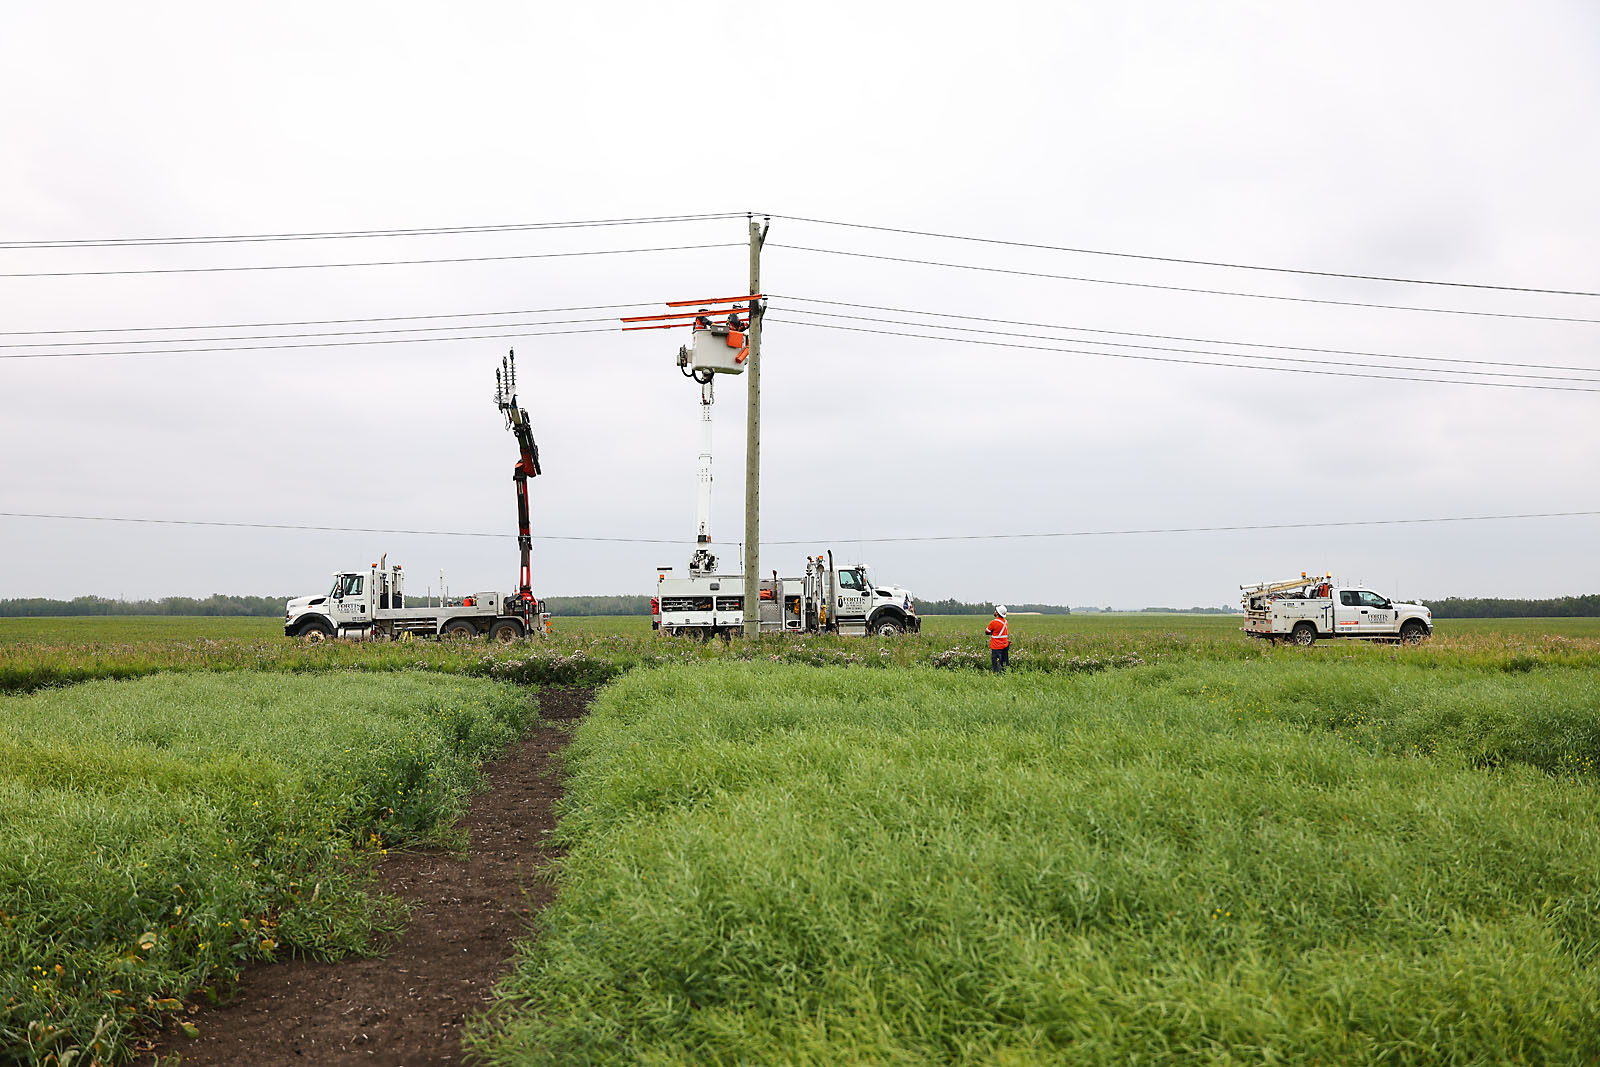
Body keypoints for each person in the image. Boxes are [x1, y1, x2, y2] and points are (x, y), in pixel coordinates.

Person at [985, 605, 1010, 673]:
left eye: (996, 611)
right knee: (1004, 665)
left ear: (997, 613)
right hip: (1005, 646)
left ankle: (997, 678)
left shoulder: (994, 622)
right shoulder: (1005, 622)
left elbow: (987, 631)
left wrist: (992, 633)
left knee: (996, 666)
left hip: (996, 646)